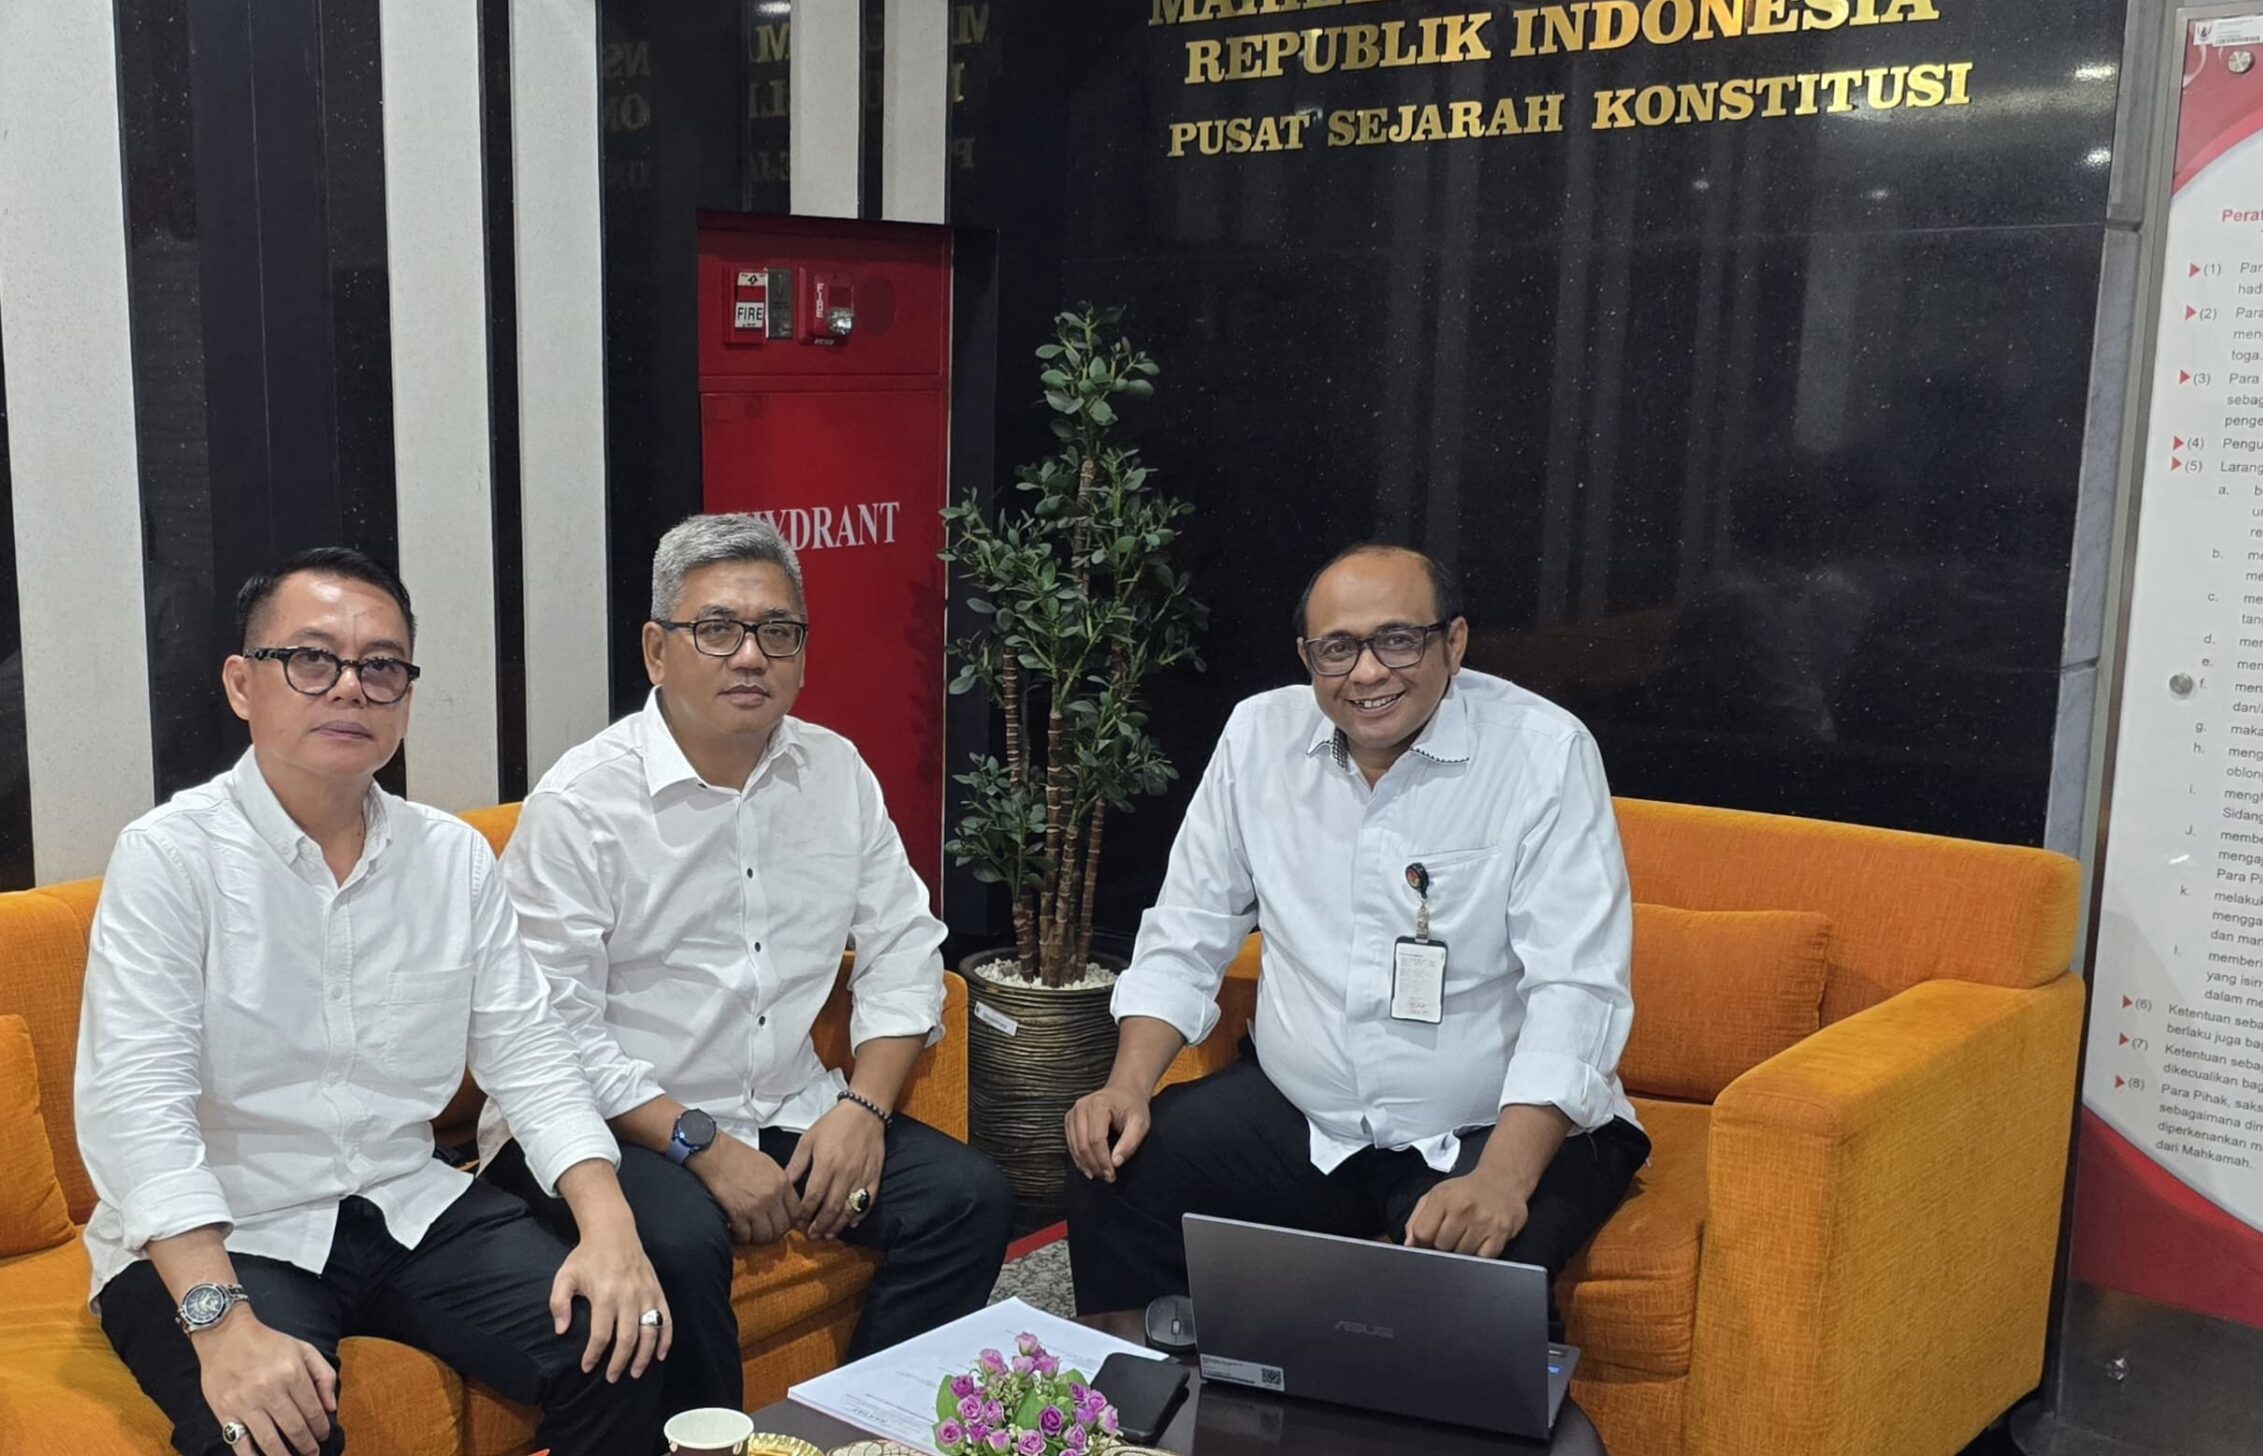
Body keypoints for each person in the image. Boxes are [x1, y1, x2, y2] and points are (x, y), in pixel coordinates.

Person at [76, 548, 669, 1456]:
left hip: (405, 1203)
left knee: (624, 1337)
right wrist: (220, 1322)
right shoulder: (169, 858)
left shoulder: (451, 858)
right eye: (311, 660)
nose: (351, 687)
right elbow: (137, 1104)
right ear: (242, 684)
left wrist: (610, 1225)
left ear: (405, 697)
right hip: (231, 1229)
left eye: (381, 666)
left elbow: (532, 1055)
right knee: (267, 1434)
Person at [481, 512, 1011, 1417]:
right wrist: (700, 1145)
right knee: (682, 1241)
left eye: (778, 632)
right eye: (718, 630)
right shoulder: (583, 804)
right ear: (657, 650)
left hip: (788, 1106)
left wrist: (864, 1110)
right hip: (612, 1125)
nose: (751, 657)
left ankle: (848, 1430)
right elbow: (551, 1031)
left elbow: (906, 948)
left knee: (968, 1199)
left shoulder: (836, 772)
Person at [1063, 543, 1649, 1313]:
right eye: (1337, 649)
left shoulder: (1544, 753)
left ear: (1454, 642)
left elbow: (1576, 986)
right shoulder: (1258, 738)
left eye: (1397, 640)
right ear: (1307, 657)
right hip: (1307, 1118)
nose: (1367, 673)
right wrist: (1125, 1086)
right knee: (1118, 1167)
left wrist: (1503, 1178)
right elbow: (1188, 928)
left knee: (1474, 1291)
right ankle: (1153, 1388)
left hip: (1485, 1124)